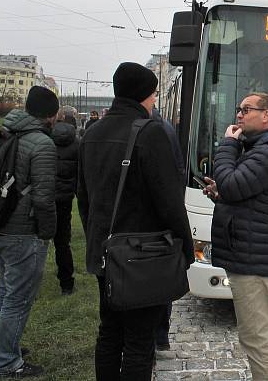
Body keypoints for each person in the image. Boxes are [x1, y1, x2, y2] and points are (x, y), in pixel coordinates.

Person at [78, 62, 193, 381]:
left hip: (105, 251)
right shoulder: (150, 132)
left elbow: (83, 197)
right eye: (154, 94)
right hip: (143, 256)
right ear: (143, 94)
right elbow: (169, 201)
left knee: (109, 330)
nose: (156, 100)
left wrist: (95, 238)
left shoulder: (92, 133)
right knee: (140, 340)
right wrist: (184, 248)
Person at [203, 93, 268, 381]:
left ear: (266, 115)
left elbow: (232, 185)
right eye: (238, 109)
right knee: (254, 338)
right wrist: (221, 194)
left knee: (256, 340)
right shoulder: (260, 150)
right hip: (248, 253)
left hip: (252, 260)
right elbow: (241, 196)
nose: (239, 115)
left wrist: (228, 146)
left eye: (246, 109)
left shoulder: (267, 153)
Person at [0, 86, 59, 377]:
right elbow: (43, 198)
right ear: (51, 115)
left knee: (6, 293)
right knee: (18, 298)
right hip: (23, 232)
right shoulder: (42, 144)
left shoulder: (7, 132)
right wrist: (47, 233)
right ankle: (5, 361)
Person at [150, 107, 185, 352]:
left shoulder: (161, 129)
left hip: (133, 223)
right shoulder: (165, 128)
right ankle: (160, 335)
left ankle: (155, 336)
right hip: (160, 221)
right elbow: (177, 174)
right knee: (161, 279)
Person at [51, 105, 79, 295]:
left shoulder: (44, 139)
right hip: (64, 199)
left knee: (37, 240)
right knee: (62, 242)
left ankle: (29, 282)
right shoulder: (77, 143)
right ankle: (66, 283)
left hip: (43, 195)